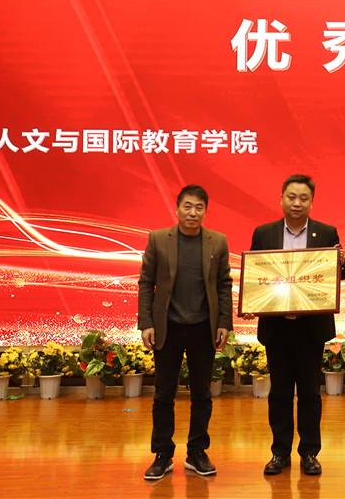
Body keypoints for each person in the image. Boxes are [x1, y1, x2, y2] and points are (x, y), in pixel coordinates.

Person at [242, 174, 345, 477]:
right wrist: (251, 302)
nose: (297, 203)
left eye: (303, 198)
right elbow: (256, 276)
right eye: (291, 197)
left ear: (311, 202)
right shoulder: (264, 233)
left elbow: (341, 274)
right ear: (281, 199)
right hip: (277, 328)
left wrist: (341, 262)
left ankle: (309, 452)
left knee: (309, 393)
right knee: (279, 393)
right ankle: (279, 452)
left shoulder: (326, 232)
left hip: (310, 328)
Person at [138, 184, 233, 481]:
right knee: (164, 394)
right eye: (187, 206)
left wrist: (224, 323)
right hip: (167, 327)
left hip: (204, 328)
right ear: (177, 208)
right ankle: (162, 454)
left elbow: (224, 284)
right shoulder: (158, 239)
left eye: (199, 207)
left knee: (202, 394)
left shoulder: (217, 242)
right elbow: (146, 282)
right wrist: (146, 322)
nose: (193, 212)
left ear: (205, 211)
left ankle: (197, 452)